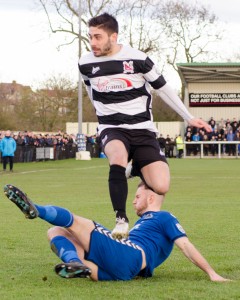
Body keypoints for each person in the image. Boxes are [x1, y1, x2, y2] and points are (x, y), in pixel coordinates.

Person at [78, 13, 212, 239]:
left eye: (98, 37)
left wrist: (188, 117)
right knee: (117, 157)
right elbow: (92, 92)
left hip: (142, 129)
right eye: (90, 36)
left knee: (161, 186)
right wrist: (102, 120)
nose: (93, 43)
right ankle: (121, 218)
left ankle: (136, 169)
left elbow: (163, 88)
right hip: (112, 127)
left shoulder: (138, 59)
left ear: (114, 36)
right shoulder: (85, 63)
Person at [3, 183, 229, 282]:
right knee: (55, 231)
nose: (133, 201)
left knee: (77, 223)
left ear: (151, 198)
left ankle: (35, 209)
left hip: (130, 256)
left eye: (137, 197)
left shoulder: (164, 217)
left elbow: (185, 246)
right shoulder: (143, 223)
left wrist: (211, 273)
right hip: (123, 271)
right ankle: (76, 263)